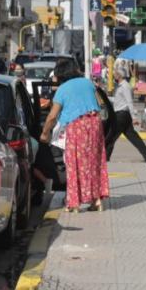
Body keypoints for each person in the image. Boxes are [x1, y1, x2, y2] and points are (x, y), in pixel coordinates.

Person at [40, 60, 109, 213]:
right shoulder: (87, 82)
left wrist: (45, 133)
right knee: (94, 161)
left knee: (74, 163)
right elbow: (99, 102)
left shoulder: (62, 90)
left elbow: (52, 116)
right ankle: (97, 200)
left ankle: (73, 203)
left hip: (77, 126)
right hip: (95, 123)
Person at [106, 68, 146, 162]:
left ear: (119, 75)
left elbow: (129, 101)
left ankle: (105, 157)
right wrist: (107, 98)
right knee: (133, 137)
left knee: (111, 136)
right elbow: (119, 101)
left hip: (122, 115)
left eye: (115, 74)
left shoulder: (125, 86)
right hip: (121, 114)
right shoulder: (120, 86)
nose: (114, 76)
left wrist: (134, 116)